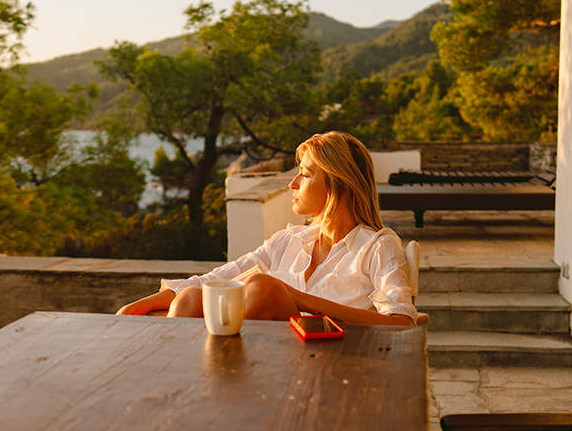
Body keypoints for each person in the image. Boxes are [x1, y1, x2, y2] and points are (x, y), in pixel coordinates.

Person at [116, 131, 417, 326]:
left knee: (264, 287)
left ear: (338, 184)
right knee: (191, 297)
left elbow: (401, 321)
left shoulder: (377, 246)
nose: (293, 184)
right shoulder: (288, 241)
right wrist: (136, 307)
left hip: (331, 362)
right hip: (259, 362)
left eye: (305, 175)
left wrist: (300, 299)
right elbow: (218, 279)